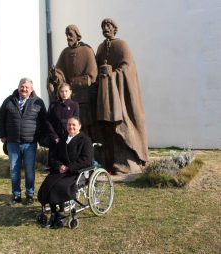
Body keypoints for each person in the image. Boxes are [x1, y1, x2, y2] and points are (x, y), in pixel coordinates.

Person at [95, 18, 149, 174]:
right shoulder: (100, 48)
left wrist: (113, 74)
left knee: (121, 127)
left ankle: (126, 163)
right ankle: (109, 160)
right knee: (107, 128)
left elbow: (127, 66)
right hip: (105, 96)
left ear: (114, 29)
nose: (105, 28)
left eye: (108, 26)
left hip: (121, 93)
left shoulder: (121, 45)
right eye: (103, 26)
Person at [0, 77, 46, 205]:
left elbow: (44, 122)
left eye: (26, 87)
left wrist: (41, 138)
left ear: (31, 89)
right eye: (22, 87)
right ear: (18, 88)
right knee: (14, 169)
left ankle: (29, 195)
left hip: (30, 143)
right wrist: (2, 134)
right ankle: (16, 195)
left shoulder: (38, 103)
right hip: (13, 142)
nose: (24, 89)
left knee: (29, 170)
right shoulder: (9, 101)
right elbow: (0, 118)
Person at [38, 117, 93, 229]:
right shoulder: (62, 139)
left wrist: (69, 167)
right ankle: (54, 213)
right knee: (48, 184)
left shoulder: (85, 140)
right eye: (69, 125)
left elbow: (86, 160)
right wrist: (59, 166)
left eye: (74, 125)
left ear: (79, 126)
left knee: (60, 186)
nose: (71, 127)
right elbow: (54, 157)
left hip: (76, 172)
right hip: (61, 171)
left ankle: (61, 213)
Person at [47, 24, 98, 139]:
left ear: (77, 36)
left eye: (71, 35)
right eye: (67, 35)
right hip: (69, 98)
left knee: (85, 128)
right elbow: (60, 72)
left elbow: (92, 74)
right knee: (69, 128)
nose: (68, 38)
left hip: (84, 98)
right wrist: (55, 76)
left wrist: (74, 83)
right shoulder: (65, 52)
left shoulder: (87, 50)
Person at [46, 83, 79, 164]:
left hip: (69, 137)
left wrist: (71, 136)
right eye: (62, 91)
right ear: (59, 92)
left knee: (67, 161)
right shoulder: (53, 105)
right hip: (55, 138)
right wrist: (55, 137)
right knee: (55, 163)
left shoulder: (74, 105)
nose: (64, 93)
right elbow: (48, 122)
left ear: (70, 92)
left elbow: (76, 121)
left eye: (66, 91)